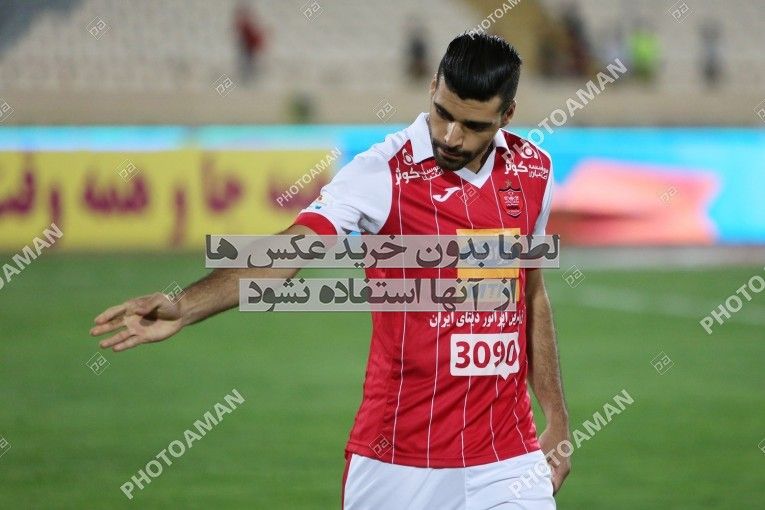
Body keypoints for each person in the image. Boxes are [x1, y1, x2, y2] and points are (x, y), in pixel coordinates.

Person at [90, 33, 570, 510]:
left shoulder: (533, 172)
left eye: (472, 125)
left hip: (507, 461)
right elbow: (293, 249)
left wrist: (558, 417)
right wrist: (186, 306)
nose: (450, 136)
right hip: (396, 462)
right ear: (432, 87)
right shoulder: (380, 173)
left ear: (507, 115)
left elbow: (529, 294)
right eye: (443, 113)